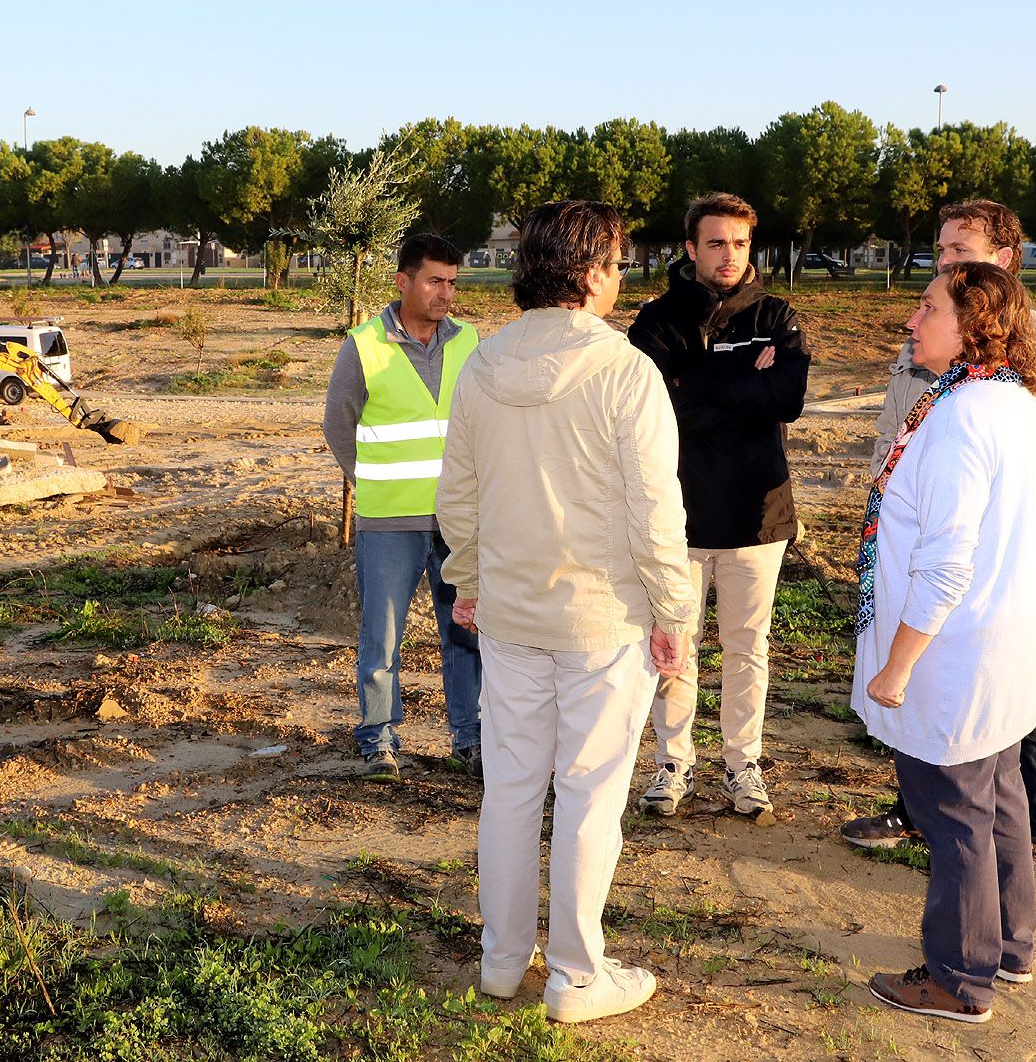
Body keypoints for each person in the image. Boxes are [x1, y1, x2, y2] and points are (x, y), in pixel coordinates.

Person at [437, 201, 695, 1024]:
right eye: (618, 263)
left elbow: (459, 494)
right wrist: (674, 609)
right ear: (588, 272)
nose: (623, 279)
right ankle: (578, 975)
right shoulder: (627, 372)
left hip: (512, 614)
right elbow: (657, 510)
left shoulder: (480, 364)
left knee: (511, 787)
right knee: (589, 793)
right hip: (604, 620)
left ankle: (502, 959)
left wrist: (468, 576)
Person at [842, 199, 1036, 905]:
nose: (948, 263)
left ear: (1007, 260)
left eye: (964, 252)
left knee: (1010, 708)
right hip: (930, 547)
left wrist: (1000, 509)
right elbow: (896, 427)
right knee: (932, 695)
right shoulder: (927, 337)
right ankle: (920, 809)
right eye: (942, 252)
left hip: (995, 562)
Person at [856, 261, 1036, 1023]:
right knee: (999, 791)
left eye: (928, 306)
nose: (912, 320)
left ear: (974, 323)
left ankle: (958, 978)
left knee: (953, 813)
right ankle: (1009, 945)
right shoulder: (1009, 400)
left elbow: (944, 564)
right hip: (1007, 637)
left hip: (956, 648)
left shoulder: (961, 417)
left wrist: (896, 665)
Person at [625, 192, 810, 822]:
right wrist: (740, 385)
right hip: (675, 515)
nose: (728, 255)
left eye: (739, 243)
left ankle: (742, 763)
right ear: (690, 248)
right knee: (675, 642)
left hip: (758, 514)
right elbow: (659, 407)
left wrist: (697, 380)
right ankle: (672, 763)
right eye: (715, 243)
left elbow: (785, 397)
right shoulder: (655, 322)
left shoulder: (778, 317)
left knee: (746, 646)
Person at [322, 234, 482, 782]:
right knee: (382, 634)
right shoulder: (364, 345)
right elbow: (337, 426)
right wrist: (369, 487)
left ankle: (471, 737)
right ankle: (379, 739)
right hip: (389, 521)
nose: (446, 293)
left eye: (453, 283)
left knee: (465, 631)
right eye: (435, 281)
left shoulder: (470, 342)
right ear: (403, 282)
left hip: (459, 522)